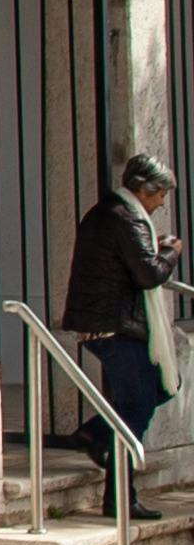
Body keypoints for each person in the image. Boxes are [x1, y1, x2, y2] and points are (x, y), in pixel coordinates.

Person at [55, 150, 181, 521]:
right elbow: (148, 274)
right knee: (137, 408)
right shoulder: (126, 219)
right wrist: (170, 252)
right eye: (160, 194)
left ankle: (95, 434)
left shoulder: (112, 213)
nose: (162, 202)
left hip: (108, 324)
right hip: (114, 327)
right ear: (144, 189)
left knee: (157, 389)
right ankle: (119, 497)